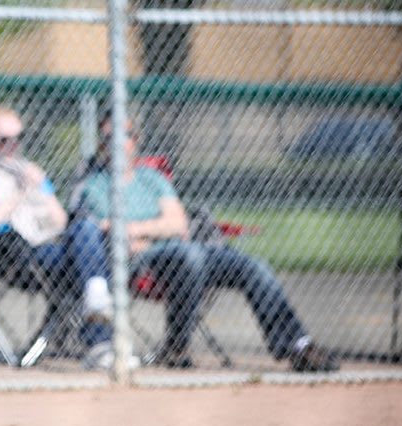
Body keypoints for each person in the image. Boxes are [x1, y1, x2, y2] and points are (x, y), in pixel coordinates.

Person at [74, 117, 338, 372]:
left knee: (254, 267)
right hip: (143, 261)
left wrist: (135, 229)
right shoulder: (96, 185)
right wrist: (153, 229)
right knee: (190, 256)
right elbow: (106, 230)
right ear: (101, 145)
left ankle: (298, 345)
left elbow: (178, 223)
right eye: (110, 137)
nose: (118, 143)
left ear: (137, 140)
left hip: (185, 247)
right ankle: (176, 346)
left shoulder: (152, 178)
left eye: (126, 135)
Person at [0, 105, 113, 367]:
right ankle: (100, 341)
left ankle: (97, 301)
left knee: (85, 227)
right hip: (13, 253)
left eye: (18, 138)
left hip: (54, 245)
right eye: (4, 140)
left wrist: (39, 186)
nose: (12, 146)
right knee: (92, 265)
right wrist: (18, 194)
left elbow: (61, 222)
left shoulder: (29, 171)